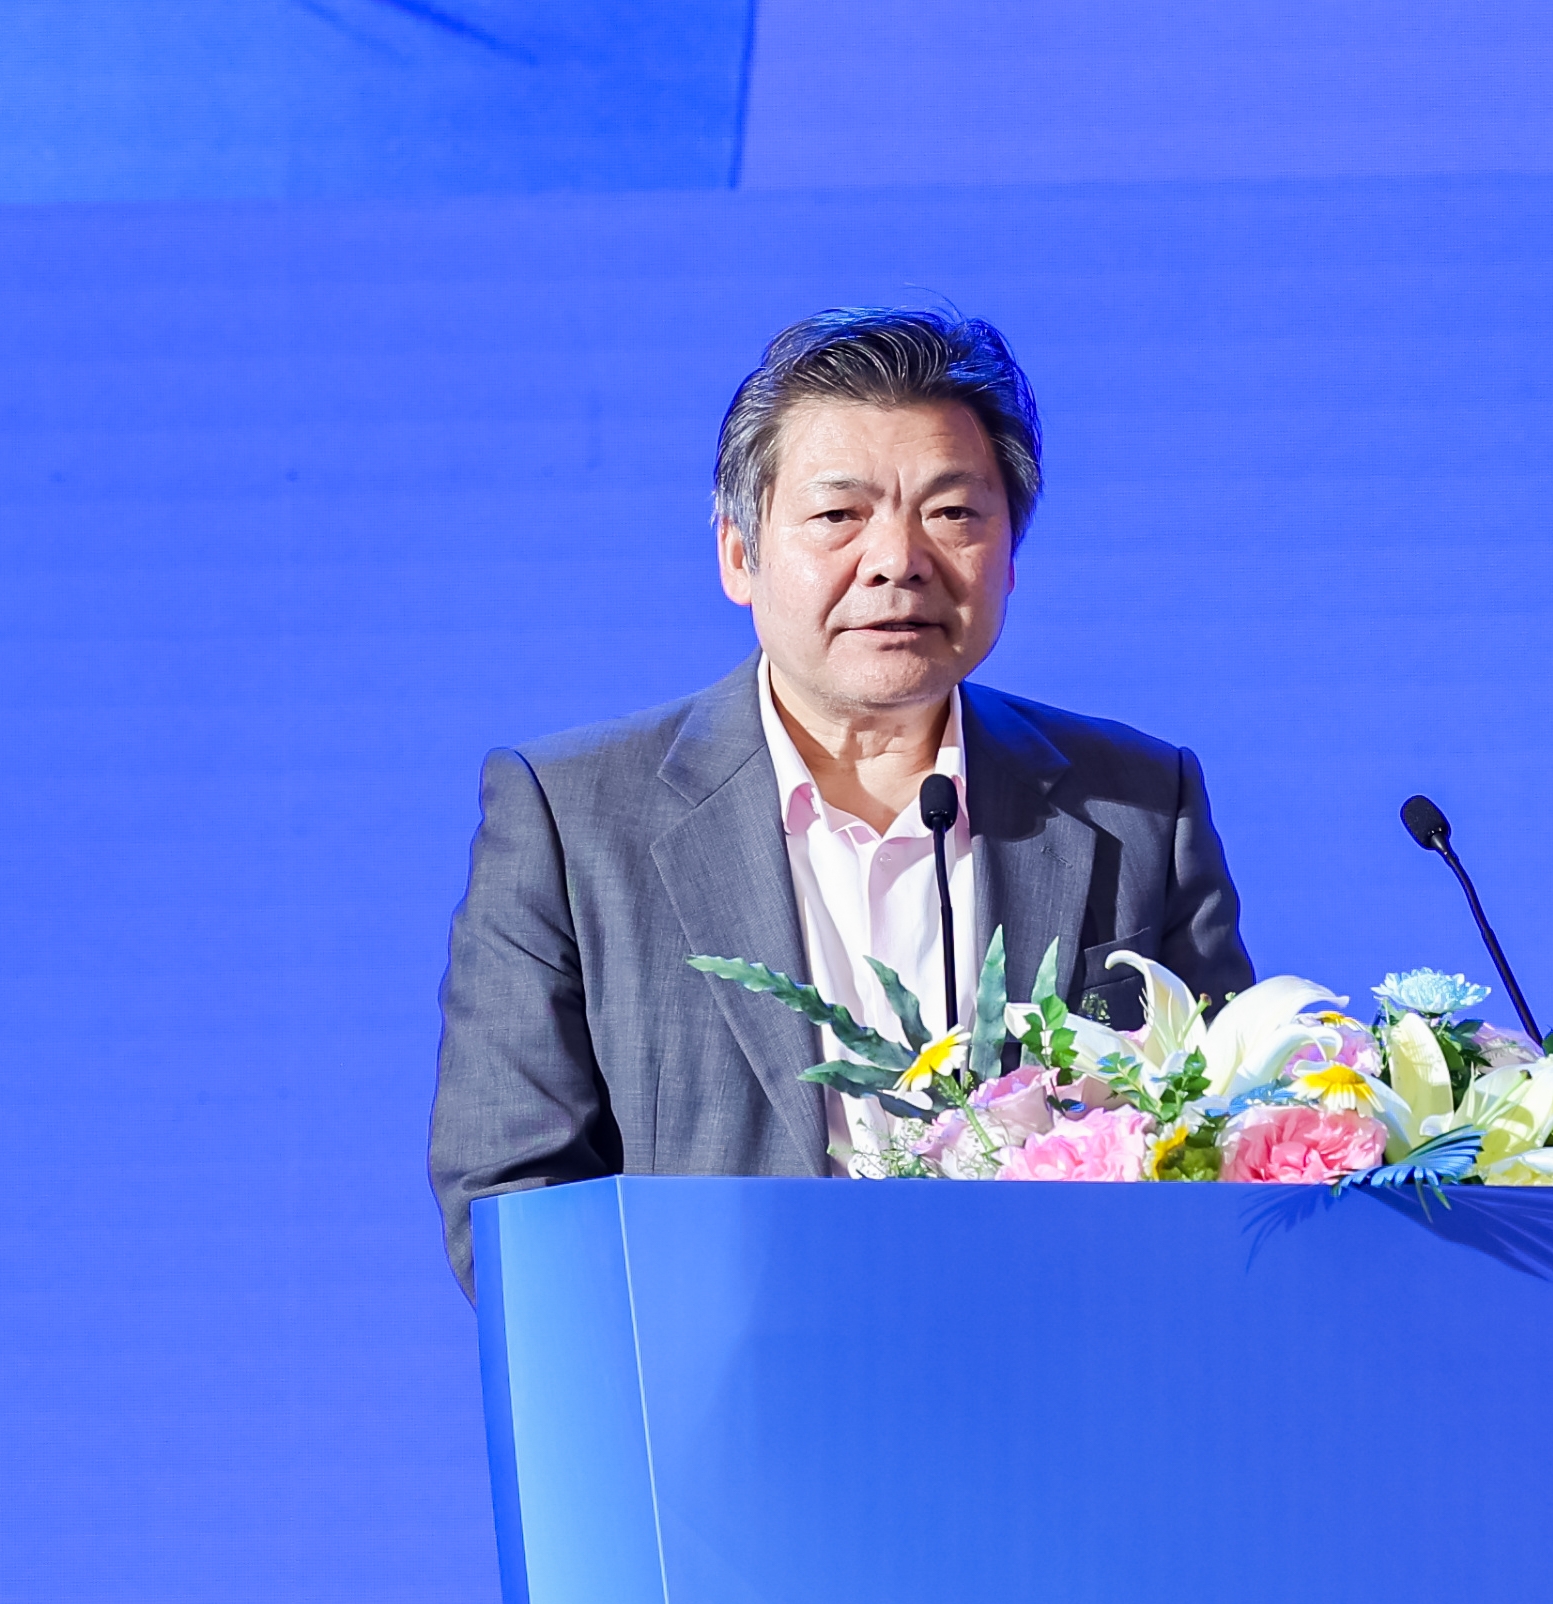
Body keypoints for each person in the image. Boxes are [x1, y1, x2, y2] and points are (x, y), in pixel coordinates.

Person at [427, 307, 1254, 1295]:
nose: (897, 559)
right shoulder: (572, 821)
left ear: (1010, 555)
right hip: (726, 1382)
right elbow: (515, 1200)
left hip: (1058, 1367)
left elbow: (1218, 1145)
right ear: (738, 554)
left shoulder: (1138, 806)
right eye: (838, 516)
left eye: (953, 513)